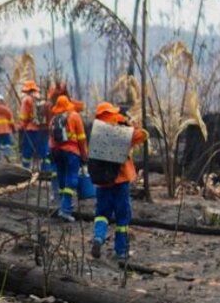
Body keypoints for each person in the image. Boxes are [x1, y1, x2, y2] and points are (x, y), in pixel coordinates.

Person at [89, 102, 148, 261]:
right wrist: (129, 123)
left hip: (102, 184)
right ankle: (121, 251)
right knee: (122, 218)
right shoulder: (120, 131)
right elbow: (142, 135)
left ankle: (99, 238)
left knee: (101, 214)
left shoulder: (97, 131)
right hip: (120, 182)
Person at [48, 95, 88, 222]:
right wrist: (84, 156)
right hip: (71, 152)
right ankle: (65, 210)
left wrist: (52, 154)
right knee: (72, 179)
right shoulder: (74, 116)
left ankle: (63, 207)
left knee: (62, 179)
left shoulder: (53, 119)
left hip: (57, 152)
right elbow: (81, 138)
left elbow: (51, 140)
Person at [17, 81, 50, 175]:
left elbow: (24, 117)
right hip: (44, 130)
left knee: (27, 152)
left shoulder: (26, 99)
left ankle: (25, 172)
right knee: (44, 152)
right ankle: (46, 173)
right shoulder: (43, 99)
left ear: (27, 90)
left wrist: (21, 128)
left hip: (31, 130)